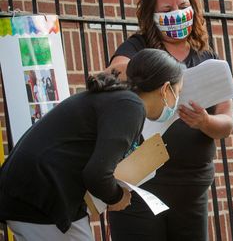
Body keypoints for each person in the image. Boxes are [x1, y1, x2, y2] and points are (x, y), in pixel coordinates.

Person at [0, 48, 185, 241]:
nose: (176, 101)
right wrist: (117, 197)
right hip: (42, 198)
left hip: (29, 193)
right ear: (165, 89)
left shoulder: (118, 99)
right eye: (177, 92)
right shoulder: (131, 107)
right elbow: (97, 174)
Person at [106, 0, 233, 241]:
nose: (177, 13)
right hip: (140, 184)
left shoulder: (208, 57)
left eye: (182, 6)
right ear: (152, 15)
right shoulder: (138, 46)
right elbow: (112, 74)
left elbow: (227, 123)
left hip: (192, 188)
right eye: (167, 10)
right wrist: (159, 73)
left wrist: (204, 122)